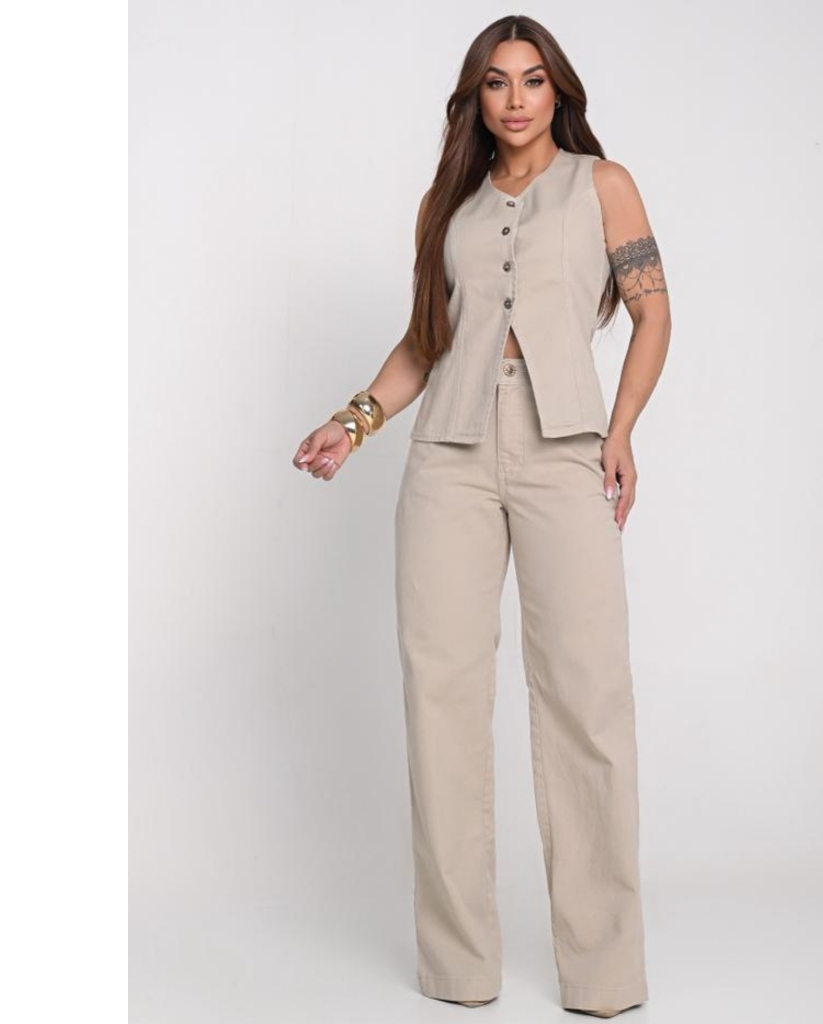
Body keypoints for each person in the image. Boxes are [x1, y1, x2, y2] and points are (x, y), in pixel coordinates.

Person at [292, 15, 671, 1018]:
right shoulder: (446, 204)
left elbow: (653, 314)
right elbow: (426, 340)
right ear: (475, 97)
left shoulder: (602, 185)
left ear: (559, 91)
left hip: (564, 450)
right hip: (448, 458)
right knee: (441, 697)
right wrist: (352, 422)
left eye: (532, 80)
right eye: (496, 82)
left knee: (588, 697)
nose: (515, 99)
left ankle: (604, 972)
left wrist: (621, 431)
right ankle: (459, 967)